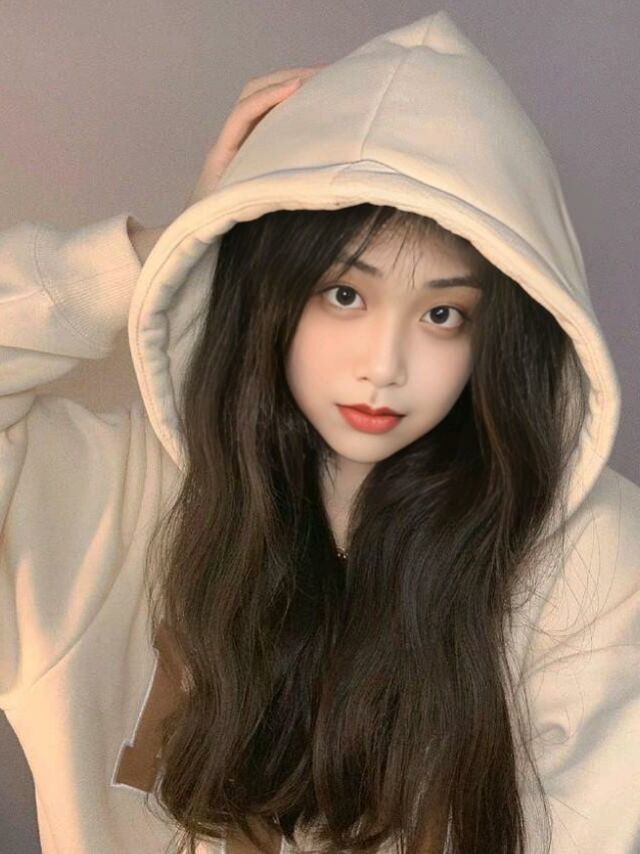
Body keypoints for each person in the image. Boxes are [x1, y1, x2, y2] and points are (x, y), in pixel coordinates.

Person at [1, 9, 638, 854]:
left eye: (443, 314)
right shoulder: (98, 497)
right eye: (345, 295)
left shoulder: (590, 560)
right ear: (270, 291)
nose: (384, 365)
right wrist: (171, 248)